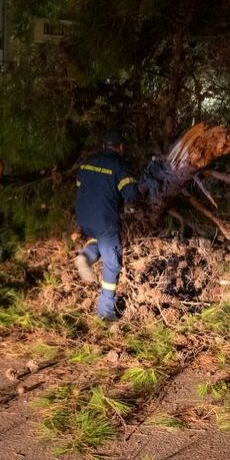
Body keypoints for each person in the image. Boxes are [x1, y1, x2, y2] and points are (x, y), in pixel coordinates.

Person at [74, 130, 138, 321]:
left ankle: (85, 256)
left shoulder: (87, 161)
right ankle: (106, 312)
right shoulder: (118, 165)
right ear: (121, 147)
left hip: (84, 217)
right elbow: (131, 193)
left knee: (99, 241)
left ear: (104, 145)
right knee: (112, 262)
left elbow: (80, 185)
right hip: (104, 219)